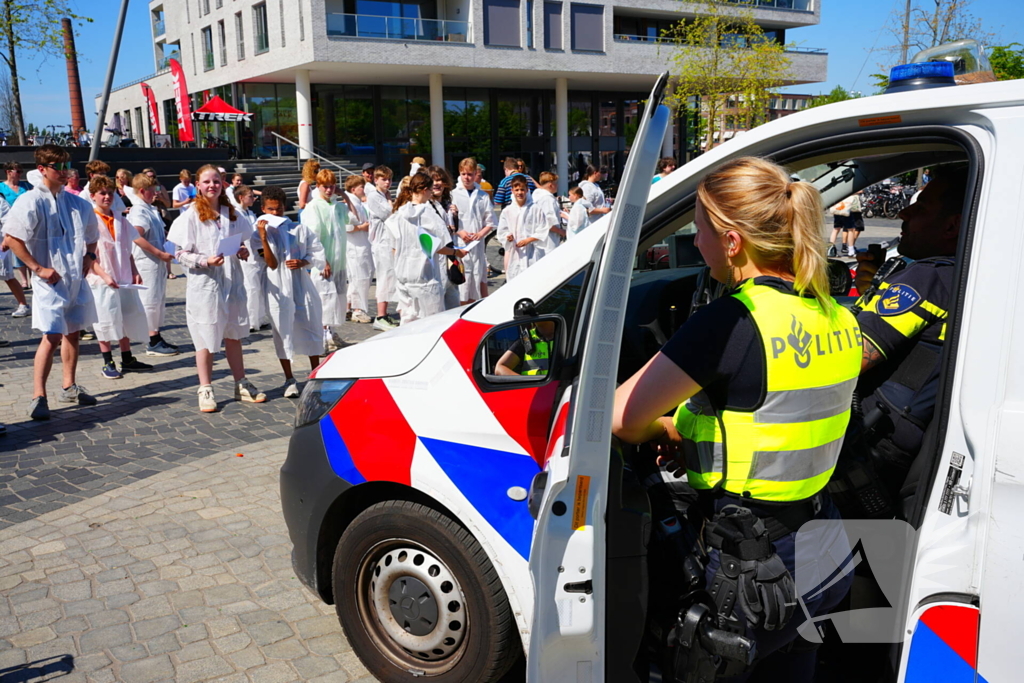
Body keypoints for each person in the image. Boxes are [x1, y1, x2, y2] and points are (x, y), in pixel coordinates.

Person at [611, 157, 861, 681]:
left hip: (750, 569)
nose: (694, 243)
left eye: (698, 229)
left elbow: (620, 418)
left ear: (731, 241)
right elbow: (778, 417)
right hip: (822, 547)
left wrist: (668, 429)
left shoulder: (732, 320)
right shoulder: (837, 312)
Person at [836, 165, 968, 516]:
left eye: (921, 208)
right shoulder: (956, 275)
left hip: (872, 445)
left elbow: (849, 358)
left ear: (952, 226)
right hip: (894, 443)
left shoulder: (929, 276)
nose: (904, 212)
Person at [4, 145, 101, 420]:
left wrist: (90, 256)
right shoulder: (30, 201)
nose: (63, 172)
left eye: (66, 166)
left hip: (74, 277)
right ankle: (38, 395)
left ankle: (69, 385)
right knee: (52, 335)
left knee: (73, 332)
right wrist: (38, 268)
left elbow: (93, 234)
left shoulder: (77, 202)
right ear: (43, 169)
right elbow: (12, 238)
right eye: (57, 167)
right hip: (50, 280)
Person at [166, 164, 267, 413]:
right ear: (198, 185)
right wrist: (203, 260)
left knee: (233, 333)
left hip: (231, 281)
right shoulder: (190, 215)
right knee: (206, 336)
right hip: (205, 283)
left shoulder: (231, 213)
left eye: (216, 181)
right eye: (206, 182)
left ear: (222, 184)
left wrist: (242, 251)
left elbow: (244, 240)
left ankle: (240, 383)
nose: (212, 186)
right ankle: (205, 387)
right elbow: (175, 251)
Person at [252, 186, 325, 398]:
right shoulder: (258, 235)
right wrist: (264, 238)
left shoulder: (298, 230)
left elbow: (316, 252)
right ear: (264, 209)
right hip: (277, 287)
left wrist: (303, 261)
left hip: (300, 284)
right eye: (270, 209)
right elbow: (271, 264)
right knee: (282, 329)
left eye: (279, 209)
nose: (275, 213)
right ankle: (289, 378)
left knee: (309, 323)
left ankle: (315, 374)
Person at [86, 175, 153, 379]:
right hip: (101, 278)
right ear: (93, 196)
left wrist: (134, 270)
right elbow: (88, 256)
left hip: (123, 276)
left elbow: (128, 247)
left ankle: (127, 357)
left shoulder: (120, 219)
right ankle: (108, 360)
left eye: (110, 193)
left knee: (126, 315)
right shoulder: (90, 221)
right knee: (105, 318)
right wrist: (104, 276)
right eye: (102, 193)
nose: (107, 197)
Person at [386, 172, 466, 324]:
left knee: (408, 322)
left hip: (404, 276)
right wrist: (457, 252)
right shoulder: (427, 213)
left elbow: (394, 247)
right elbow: (438, 246)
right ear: (424, 190)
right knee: (431, 324)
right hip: (425, 277)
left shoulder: (399, 214)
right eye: (430, 190)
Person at [127, 173, 178, 357]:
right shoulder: (140, 211)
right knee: (150, 302)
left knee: (157, 301)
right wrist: (158, 253)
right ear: (142, 191)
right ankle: (152, 340)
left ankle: (156, 335)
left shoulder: (149, 208)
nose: (156, 194)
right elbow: (136, 236)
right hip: (147, 263)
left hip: (155, 264)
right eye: (152, 190)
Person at [301, 169, 349, 351]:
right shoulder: (314, 207)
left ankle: (331, 332)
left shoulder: (336, 205)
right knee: (324, 299)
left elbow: (354, 217)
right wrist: (323, 261)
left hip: (339, 260)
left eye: (332, 186)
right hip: (324, 261)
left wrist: (344, 194)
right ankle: (320, 338)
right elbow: (314, 236)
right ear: (318, 186)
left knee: (336, 298)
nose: (329, 190)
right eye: (325, 187)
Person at [451, 157, 496, 304]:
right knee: (462, 277)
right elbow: (449, 219)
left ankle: (474, 306)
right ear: (459, 173)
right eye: (464, 174)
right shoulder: (454, 194)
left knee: (477, 277)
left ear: (475, 174)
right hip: (460, 242)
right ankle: (460, 307)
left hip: (477, 244)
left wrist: (480, 234)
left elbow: (490, 221)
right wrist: (461, 232)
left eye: (470, 174)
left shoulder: (482, 195)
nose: (467, 177)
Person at [232, 184, 271, 333]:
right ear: (241, 197)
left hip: (256, 253)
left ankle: (259, 318)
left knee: (258, 287)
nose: (253, 199)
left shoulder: (249, 213)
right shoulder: (236, 213)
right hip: (247, 255)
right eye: (250, 196)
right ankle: (250, 320)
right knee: (251, 287)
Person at [364, 165, 398, 331]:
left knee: (390, 276)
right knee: (384, 277)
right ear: (375, 180)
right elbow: (389, 214)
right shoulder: (373, 196)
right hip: (381, 242)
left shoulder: (384, 195)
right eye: (384, 179)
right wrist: (391, 202)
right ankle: (381, 315)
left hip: (388, 241)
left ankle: (385, 313)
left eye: (389, 179)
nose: (387, 182)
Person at [497, 176, 549, 281]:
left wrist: (528, 240)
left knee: (532, 280)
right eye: (516, 190)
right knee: (515, 279)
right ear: (512, 190)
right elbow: (502, 230)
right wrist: (508, 236)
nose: (519, 192)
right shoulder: (507, 211)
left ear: (527, 190)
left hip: (532, 252)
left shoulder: (535, 209)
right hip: (515, 252)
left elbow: (543, 229)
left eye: (522, 189)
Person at [340, 175, 374, 324]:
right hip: (355, 246)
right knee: (360, 278)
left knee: (358, 278)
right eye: (362, 187)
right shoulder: (348, 203)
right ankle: (358, 310)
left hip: (361, 244)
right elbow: (346, 226)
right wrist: (361, 227)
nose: (364, 190)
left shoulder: (358, 202)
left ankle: (347, 307)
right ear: (354, 189)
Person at [427, 165, 460, 310]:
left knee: (453, 303)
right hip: (436, 262)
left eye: (440, 180)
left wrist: (455, 218)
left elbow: (453, 232)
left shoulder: (447, 205)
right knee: (438, 306)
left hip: (450, 262)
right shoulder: (426, 206)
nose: (437, 183)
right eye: (433, 180)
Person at [2, 161, 33, 289]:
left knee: (30, 250)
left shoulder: (25, 186)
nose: (20, 174)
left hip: (27, 222)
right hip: (10, 223)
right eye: (18, 171)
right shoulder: (1, 188)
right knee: (17, 250)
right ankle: (24, 280)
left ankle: (33, 278)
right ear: (9, 172)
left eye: (21, 171)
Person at [0, 196, 31, 319]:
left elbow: (8, 221)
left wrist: (7, 240)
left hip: (1, 243)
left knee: (7, 275)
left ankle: (23, 304)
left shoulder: (1, 202)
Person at [531, 171, 565, 259]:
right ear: (550, 185)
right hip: (548, 238)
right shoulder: (547, 199)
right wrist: (561, 232)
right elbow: (549, 223)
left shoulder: (537, 195)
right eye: (556, 183)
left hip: (539, 236)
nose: (557, 185)